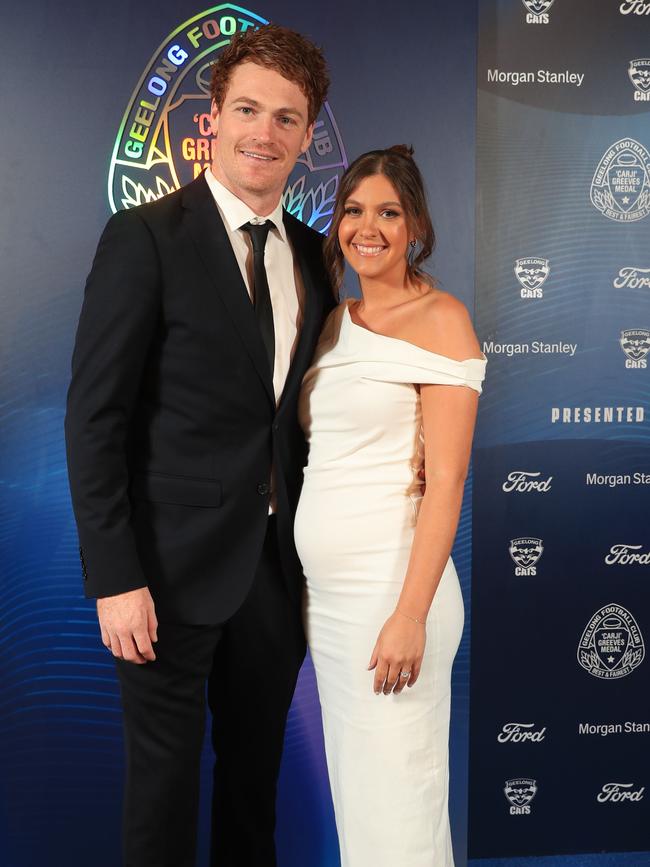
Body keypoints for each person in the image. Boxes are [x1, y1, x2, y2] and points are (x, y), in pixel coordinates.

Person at [64, 25, 334, 867]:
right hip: (163, 576)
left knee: (254, 792)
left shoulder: (319, 259)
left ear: (307, 134)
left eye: (287, 118)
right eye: (248, 109)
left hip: (272, 574)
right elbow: (94, 419)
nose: (266, 132)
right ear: (210, 118)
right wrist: (116, 580)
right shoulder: (145, 238)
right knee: (163, 795)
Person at [295, 145, 486, 867]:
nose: (365, 227)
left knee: (401, 799)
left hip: (398, 597)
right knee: (364, 798)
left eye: (387, 212)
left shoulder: (443, 318)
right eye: (352, 210)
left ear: (416, 228)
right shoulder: (335, 320)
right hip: (332, 605)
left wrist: (408, 615)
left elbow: (448, 483)